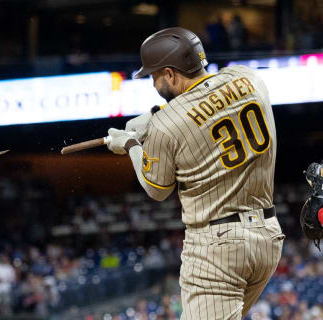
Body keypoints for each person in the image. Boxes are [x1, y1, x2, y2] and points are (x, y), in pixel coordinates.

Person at [106, 27, 284, 319]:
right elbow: (210, 99)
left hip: (217, 247)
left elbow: (157, 189)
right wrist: (153, 115)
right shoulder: (248, 78)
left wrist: (130, 144)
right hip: (267, 236)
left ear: (171, 73)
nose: (153, 84)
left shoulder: (167, 125)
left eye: (154, 76)